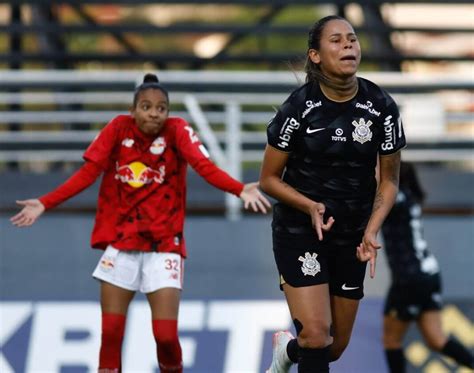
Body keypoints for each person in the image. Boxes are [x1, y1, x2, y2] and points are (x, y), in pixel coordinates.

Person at [10, 73, 271, 373]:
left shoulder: (178, 131)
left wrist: (239, 189)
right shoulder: (117, 129)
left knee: (165, 336)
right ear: (133, 110)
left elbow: (204, 166)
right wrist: (46, 202)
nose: (154, 114)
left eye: (161, 108)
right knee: (110, 335)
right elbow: (87, 174)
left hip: (164, 247)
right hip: (121, 245)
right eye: (146, 107)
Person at [259, 15, 406, 372]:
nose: (348, 47)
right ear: (316, 55)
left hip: (353, 233)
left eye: (352, 40)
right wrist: (309, 206)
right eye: (337, 41)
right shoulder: (298, 109)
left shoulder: (381, 107)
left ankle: (288, 352)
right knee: (316, 336)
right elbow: (268, 179)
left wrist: (371, 229)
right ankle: (302, 346)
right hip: (301, 229)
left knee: (335, 347)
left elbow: (389, 180)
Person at [382, 161, 474, 372]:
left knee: (391, 340)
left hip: (408, 277)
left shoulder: (395, 197)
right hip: (429, 272)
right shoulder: (410, 198)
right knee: (436, 339)